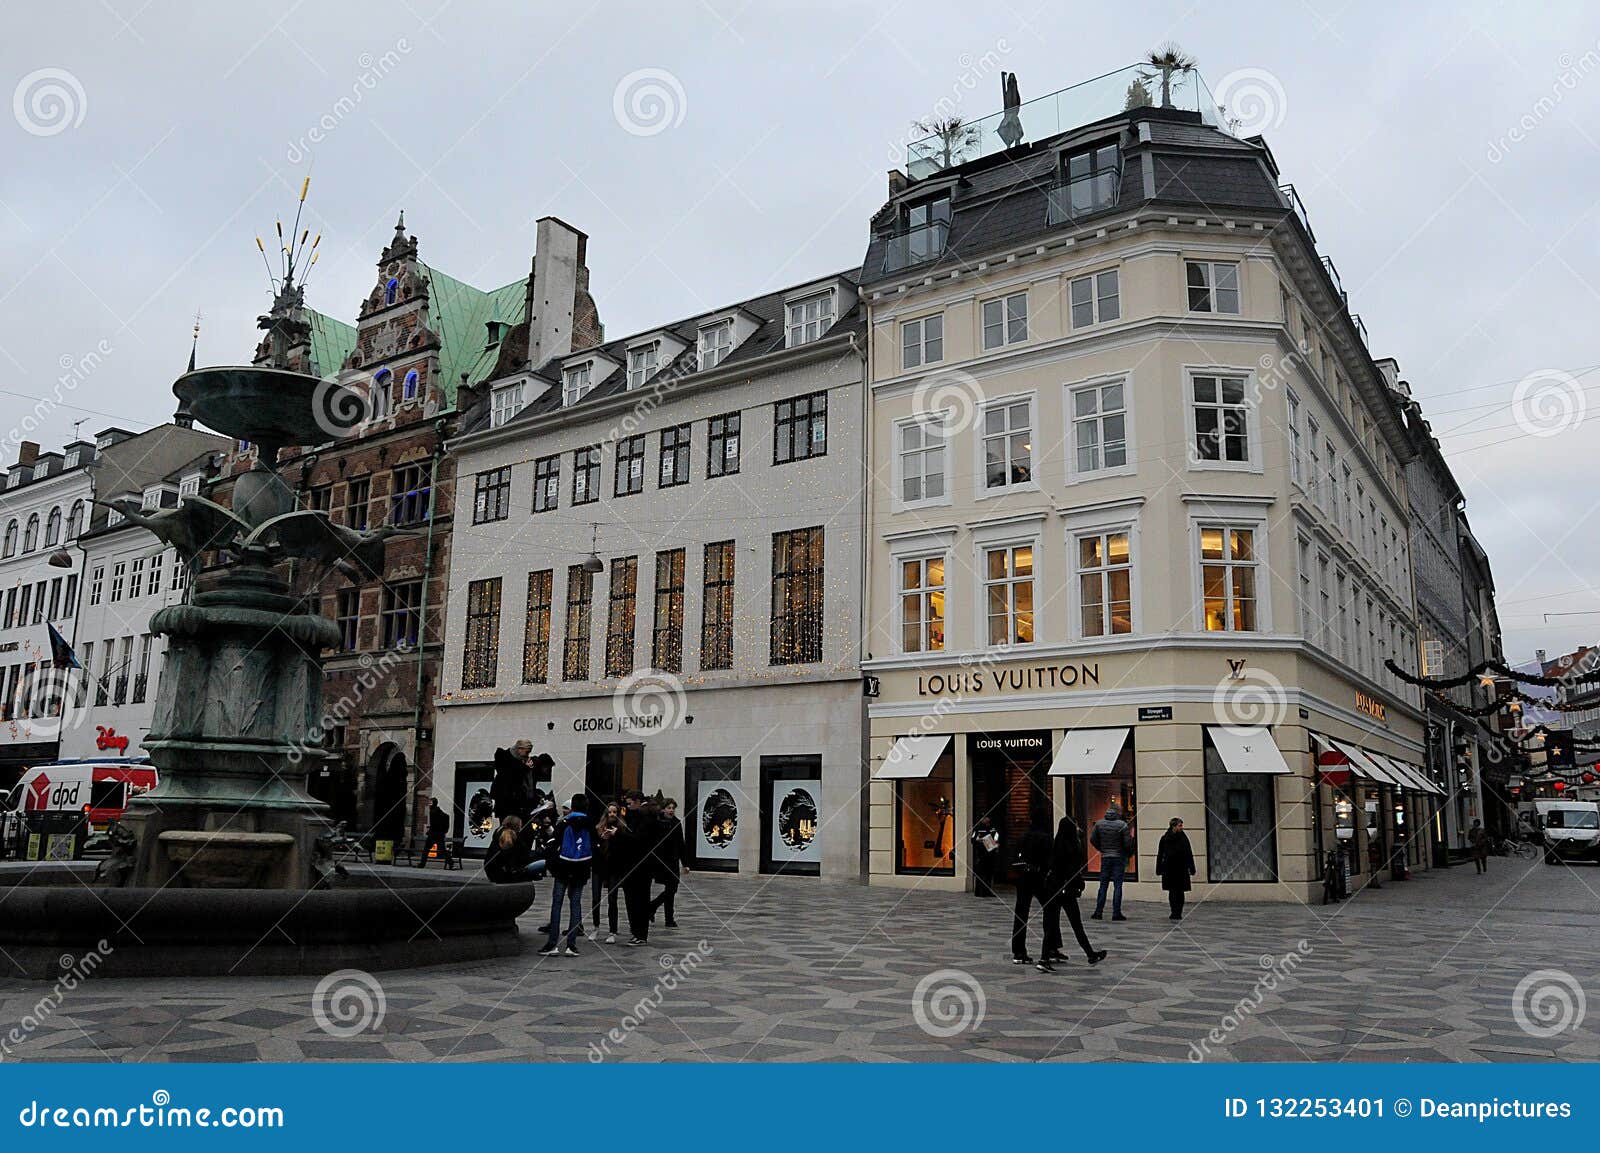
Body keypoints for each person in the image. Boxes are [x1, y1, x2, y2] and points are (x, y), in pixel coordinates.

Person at [1039, 814, 1106, 972]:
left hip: (1053, 888)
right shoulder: (1071, 846)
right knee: (1075, 924)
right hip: (1064, 890)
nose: (1078, 828)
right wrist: (1079, 884)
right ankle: (1087, 954)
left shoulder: (1057, 843)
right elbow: (1072, 871)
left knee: (1052, 924)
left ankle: (1088, 953)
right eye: (1075, 825)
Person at [538, 794, 595, 957]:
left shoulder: (564, 822)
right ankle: (571, 945)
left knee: (557, 903)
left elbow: (553, 844)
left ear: (573, 807)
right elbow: (595, 844)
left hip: (563, 868)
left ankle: (552, 943)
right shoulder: (590, 823)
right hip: (581, 868)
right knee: (575, 904)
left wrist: (550, 861)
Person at [612, 791, 659, 946]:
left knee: (638, 900)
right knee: (632, 900)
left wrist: (618, 833)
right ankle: (636, 932)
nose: (627, 805)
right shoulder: (636, 817)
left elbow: (638, 840)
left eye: (630, 802)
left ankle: (640, 934)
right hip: (632, 865)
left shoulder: (645, 818)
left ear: (638, 802)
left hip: (641, 867)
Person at [1010, 810, 1054, 967]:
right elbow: (1050, 860)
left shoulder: (1022, 837)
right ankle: (1051, 948)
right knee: (1050, 911)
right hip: (1039, 878)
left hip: (1023, 878)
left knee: (1021, 913)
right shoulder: (1045, 837)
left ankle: (1018, 951)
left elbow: (1014, 856)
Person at [1090, 804, 1133, 921]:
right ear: (1117, 813)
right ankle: (1116, 912)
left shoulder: (1099, 824)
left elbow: (1092, 839)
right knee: (1117, 886)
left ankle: (1098, 912)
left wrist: (1102, 849)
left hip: (1105, 857)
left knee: (1103, 885)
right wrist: (1126, 852)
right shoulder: (1122, 825)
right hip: (1119, 857)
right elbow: (1128, 843)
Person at [648, 798, 686, 928]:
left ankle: (655, 908)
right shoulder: (656, 822)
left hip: (673, 861)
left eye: (673, 808)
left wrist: (685, 862)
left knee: (672, 889)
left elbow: (681, 843)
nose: (671, 810)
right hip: (660, 861)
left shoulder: (676, 823)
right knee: (670, 889)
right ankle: (668, 918)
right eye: (669, 808)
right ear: (663, 809)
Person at [591, 801, 624, 942]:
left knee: (612, 899)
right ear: (606, 813)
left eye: (615, 812)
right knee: (596, 898)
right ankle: (596, 927)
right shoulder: (598, 828)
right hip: (599, 867)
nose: (612, 815)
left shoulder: (621, 829)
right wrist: (601, 839)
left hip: (614, 867)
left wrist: (615, 837)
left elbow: (623, 849)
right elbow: (593, 847)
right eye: (610, 812)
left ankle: (613, 931)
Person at [482, 815, 544, 884]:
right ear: (517, 826)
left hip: (492, 872)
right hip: (506, 874)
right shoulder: (513, 837)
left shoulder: (499, 832)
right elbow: (521, 858)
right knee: (545, 862)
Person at [1155, 817, 1196, 920]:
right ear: (1174, 826)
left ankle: (1178, 912)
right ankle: (1174, 911)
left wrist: (1191, 867)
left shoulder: (1183, 837)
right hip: (1169, 868)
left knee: (1180, 891)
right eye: (1180, 825)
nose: (1181, 827)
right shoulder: (1165, 838)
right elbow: (1160, 854)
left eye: (1181, 825)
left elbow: (1188, 852)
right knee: (1172, 891)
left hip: (1181, 868)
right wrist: (1159, 868)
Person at [491, 740, 536, 820]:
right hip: (506, 801)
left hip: (518, 802)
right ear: (520, 749)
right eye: (527, 752)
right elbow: (508, 775)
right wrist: (524, 767)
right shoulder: (502, 756)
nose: (527, 755)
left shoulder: (521, 761)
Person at [970, 816, 1001, 898]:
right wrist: (980, 840)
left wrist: (996, 843)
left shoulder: (993, 828)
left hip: (991, 854)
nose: (986, 819)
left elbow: (997, 838)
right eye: (984, 818)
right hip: (981, 854)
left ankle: (987, 891)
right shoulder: (977, 828)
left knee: (989, 874)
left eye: (987, 818)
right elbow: (972, 840)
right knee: (980, 873)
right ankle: (980, 892)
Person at [417, 798, 450, 868]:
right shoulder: (438, 811)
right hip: (438, 834)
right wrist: (444, 830)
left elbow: (435, 824)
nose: (429, 804)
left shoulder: (433, 811)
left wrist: (433, 830)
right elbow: (446, 816)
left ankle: (422, 864)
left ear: (433, 803)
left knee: (426, 849)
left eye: (430, 803)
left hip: (434, 834)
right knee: (442, 850)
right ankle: (451, 863)